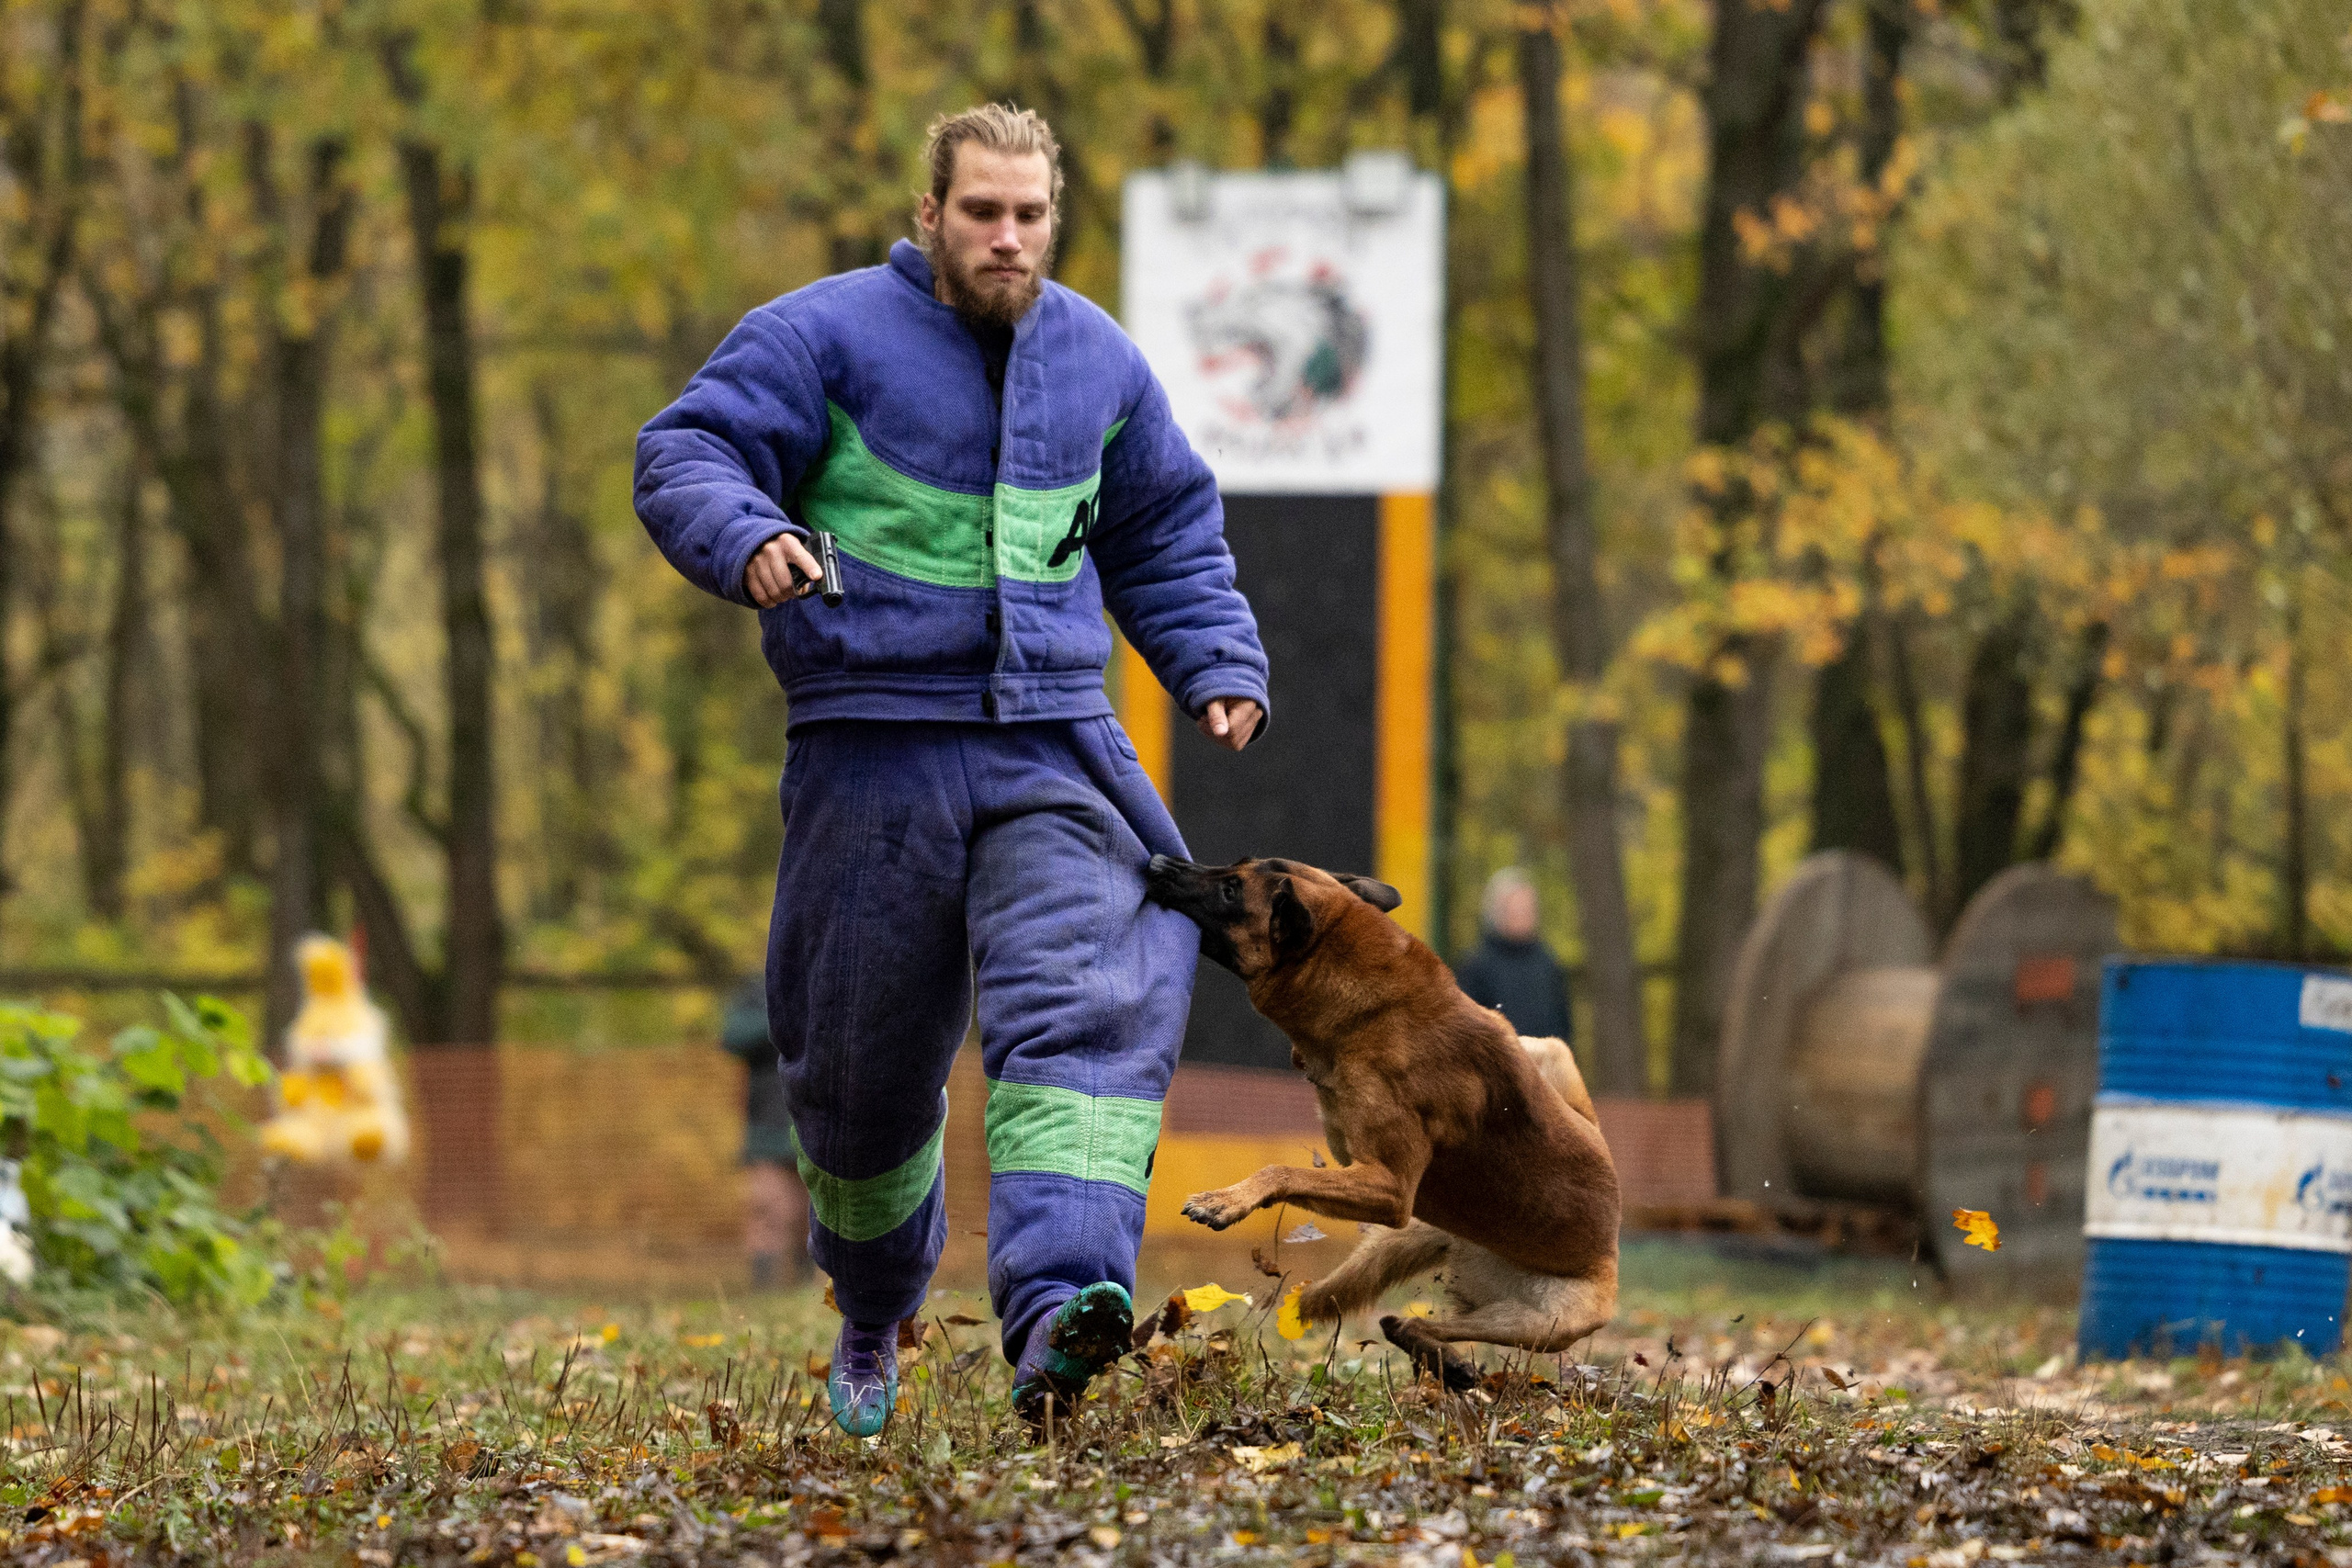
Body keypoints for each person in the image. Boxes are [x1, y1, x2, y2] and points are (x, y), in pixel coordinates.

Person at [633, 104, 1270, 1438]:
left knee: (1092, 999)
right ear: (928, 214)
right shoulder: (820, 336)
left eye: (1030, 215)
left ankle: (1060, 1314)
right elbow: (685, 449)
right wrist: (746, 534)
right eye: (981, 212)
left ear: (1055, 217)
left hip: (1050, 737)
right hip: (872, 745)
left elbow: (1163, 526)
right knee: (856, 1070)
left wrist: (1214, 659)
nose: (1007, 237)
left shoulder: (1100, 362)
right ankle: (873, 1300)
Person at [719, 976, 810, 1290]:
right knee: (766, 1207)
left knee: (811, 1212)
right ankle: (764, 1291)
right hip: (765, 1126)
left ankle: (807, 1291)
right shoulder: (758, 988)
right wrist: (787, 1017)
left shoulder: (830, 975)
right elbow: (733, 1036)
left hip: (816, 1119)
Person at [1452, 867, 1574, 1043]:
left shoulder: (1548, 963)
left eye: (1527, 908)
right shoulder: (1476, 966)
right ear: (1496, 911)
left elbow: (1563, 1025)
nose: (1523, 914)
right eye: (1516, 908)